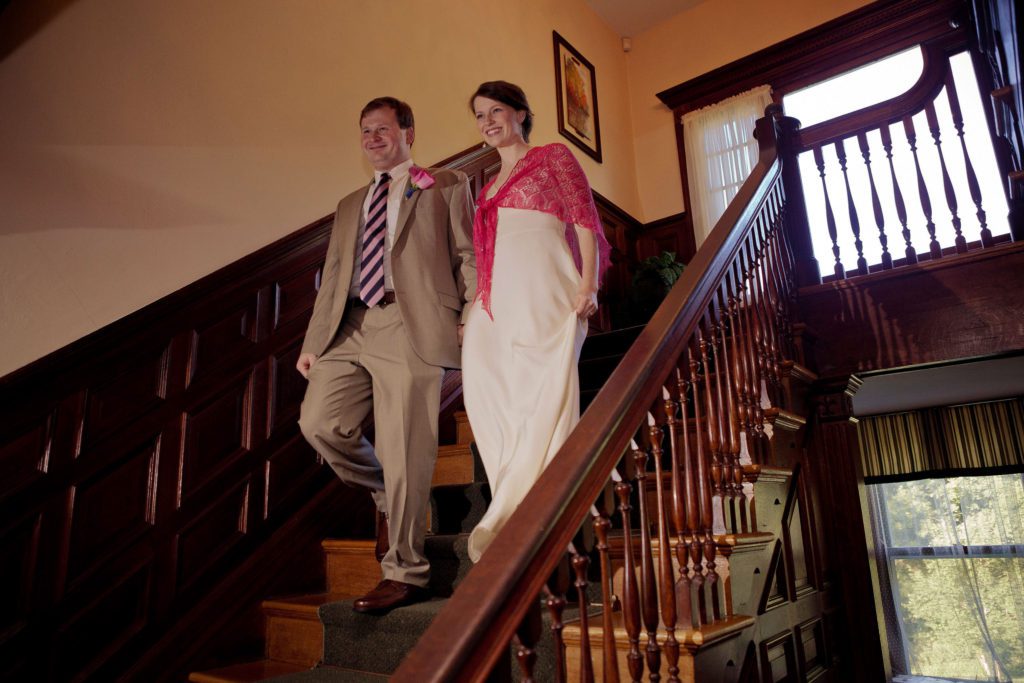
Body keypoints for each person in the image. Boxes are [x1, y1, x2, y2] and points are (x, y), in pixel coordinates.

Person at [297, 97, 476, 613]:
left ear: (408, 134)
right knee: (320, 424)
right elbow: (334, 275)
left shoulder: (445, 184)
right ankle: (384, 491)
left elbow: (467, 254)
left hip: (409, 321)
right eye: (365, 131)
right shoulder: (349, 203)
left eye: (382, 129)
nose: (373, 138)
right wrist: (313, 342)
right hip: (350, 325)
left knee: (405, 449)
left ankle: (405, 572)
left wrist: (471, 313)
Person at [462, 81, 611, 563]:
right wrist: (477, 304)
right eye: (480, 115)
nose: (487, 122)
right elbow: (486, 253)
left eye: (496, 111)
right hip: (497, 297)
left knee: (541, 391)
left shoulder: (553, 156)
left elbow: (584, 219)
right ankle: (508, 491)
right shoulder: (487, 186)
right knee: (486, 388)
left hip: (545, 286)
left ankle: (530, 513)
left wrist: (588, 284)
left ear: (521, 113)